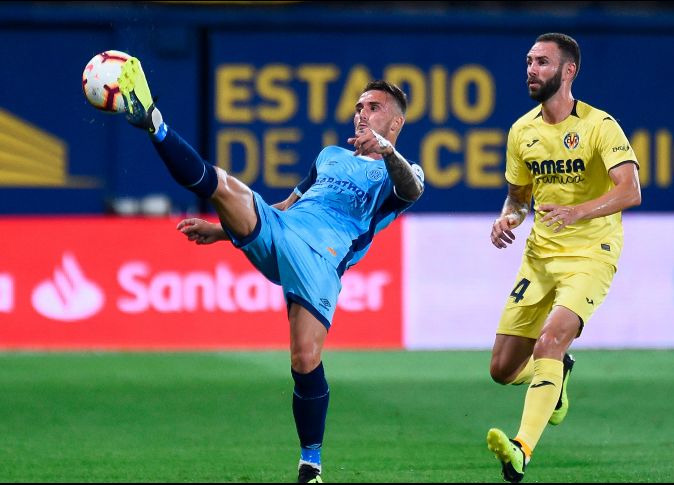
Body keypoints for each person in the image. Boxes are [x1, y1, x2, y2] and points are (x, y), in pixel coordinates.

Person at [116, 58, 425, 483]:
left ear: (395, 123)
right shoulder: (330, 156)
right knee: (223, 184)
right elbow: (285, 206)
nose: (361, 113)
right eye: (358, 106)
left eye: (372, 107)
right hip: (282, 229)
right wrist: (220, 232)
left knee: (304, 359)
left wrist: (387, 152)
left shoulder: (400, 173)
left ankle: (310, 464)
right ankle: (156, 125)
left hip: (320, 261)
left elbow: (413, 189)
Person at [485, 33, 641, 483]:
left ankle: (521, 450)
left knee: (552, 338)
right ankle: (557, 376)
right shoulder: (522, 131)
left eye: (542, 63)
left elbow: (629, 190)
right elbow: (518, 199)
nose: (531, 69)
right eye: (529, 62)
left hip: (592, 252)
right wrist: (506, 219)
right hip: (540, 256)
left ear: (568, 71)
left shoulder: (599, 125)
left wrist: (577, 211)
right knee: (502, 369)